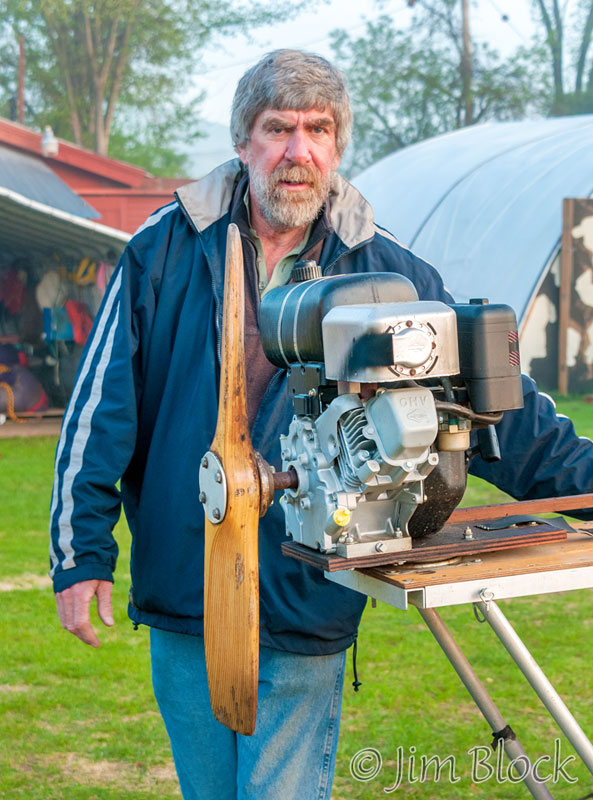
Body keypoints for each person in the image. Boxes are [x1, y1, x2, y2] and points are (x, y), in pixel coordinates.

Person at [49, 49, 593, 800]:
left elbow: (485, 401)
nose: (297, 151)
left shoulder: (387, 269)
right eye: (277, 129)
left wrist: (587, 483)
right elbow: (100, 409)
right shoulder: (163, 250)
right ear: (243, 144)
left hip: (306, 591)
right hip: (187, 588)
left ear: (337, 147)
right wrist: (79, 555)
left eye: (317, 129)